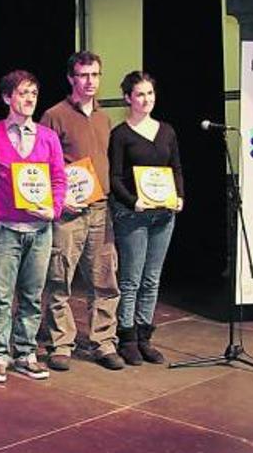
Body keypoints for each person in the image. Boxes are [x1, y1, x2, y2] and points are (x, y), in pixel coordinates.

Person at [41, 51, 125, 372]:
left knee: (105, 278)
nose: (90, 82)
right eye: (83, 75)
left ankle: (103, 342)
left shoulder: (105, 118)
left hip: (101, 209)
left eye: (95, 75)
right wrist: (59, 199)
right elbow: (43, 164)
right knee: (59, 277)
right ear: (71, 78)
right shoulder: (54, 115)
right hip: (68, 211)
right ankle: (61, 342)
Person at [0, 70, 66, 384]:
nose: (29, 99)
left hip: (40, 229)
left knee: (33, 296)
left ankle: (26, 353)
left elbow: (59, 179)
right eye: (22, 93)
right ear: (7, 98)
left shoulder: (48, 137)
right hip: (5, 228)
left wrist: (54, 208)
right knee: (2, 296)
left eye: (33, 92)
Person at [108, 71, 183, 366]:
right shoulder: (121, 134)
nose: (146, 99)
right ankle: (126, 338)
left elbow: (176, 167)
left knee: (152, 280)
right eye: (139, 94)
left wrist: (179, 196)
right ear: (128, 98)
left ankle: (144, 336)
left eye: (150, 93)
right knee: (131, 280)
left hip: (163, 215)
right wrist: (132, 201)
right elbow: (114, 177)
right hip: (133, 215)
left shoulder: (167, 131)